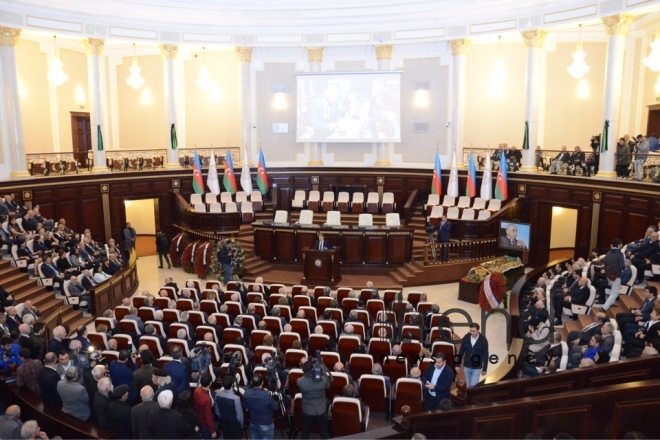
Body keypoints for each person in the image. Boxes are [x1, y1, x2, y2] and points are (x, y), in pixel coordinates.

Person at [297, 358, 332, 439]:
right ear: (313, 369)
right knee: (324, 432)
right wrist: (321, 370)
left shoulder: (299, 381)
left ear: (303, 370)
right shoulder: (322, 381)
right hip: (320, 410)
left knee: (305, 432)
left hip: (307, 410)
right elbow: (328, 385)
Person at [242, 373, 280, 440]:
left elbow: (245, 406)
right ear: (262, 383)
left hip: (253, 423)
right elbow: (275, 407)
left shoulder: (246, 394)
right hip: (266, 424)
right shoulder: (266, 395)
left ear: (251, 382)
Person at [456, 323, 489, 388]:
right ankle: (469, 398)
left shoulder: (483, 340)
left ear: (478, 330)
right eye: (470, 331)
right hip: (467, 365)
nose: (472, 333)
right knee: (468, 385)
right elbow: (461, 351)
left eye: (473, 331)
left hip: (477, 367)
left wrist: (484, 369)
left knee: (473, 386)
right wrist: (457, 364)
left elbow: (486, 355)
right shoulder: (466, 337)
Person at [214, 375, 243, 440]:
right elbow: (239, 416)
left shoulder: (217, 395)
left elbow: (217, 411)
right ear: (232, 384)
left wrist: (222, 417)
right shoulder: (236, 398)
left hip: (224, 422)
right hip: (234, 424)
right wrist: (241, 424)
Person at [600, 238, 625, 312]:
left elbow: (605, 264)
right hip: (616, 275)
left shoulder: (608, 253)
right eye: (621, 244)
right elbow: (622, 266)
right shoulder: (620, 254)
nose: (622, 245)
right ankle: (604, 307)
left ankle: (612, 303)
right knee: (615, 293)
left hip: (608, 275)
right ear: (618, 245)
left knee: (613, 290)